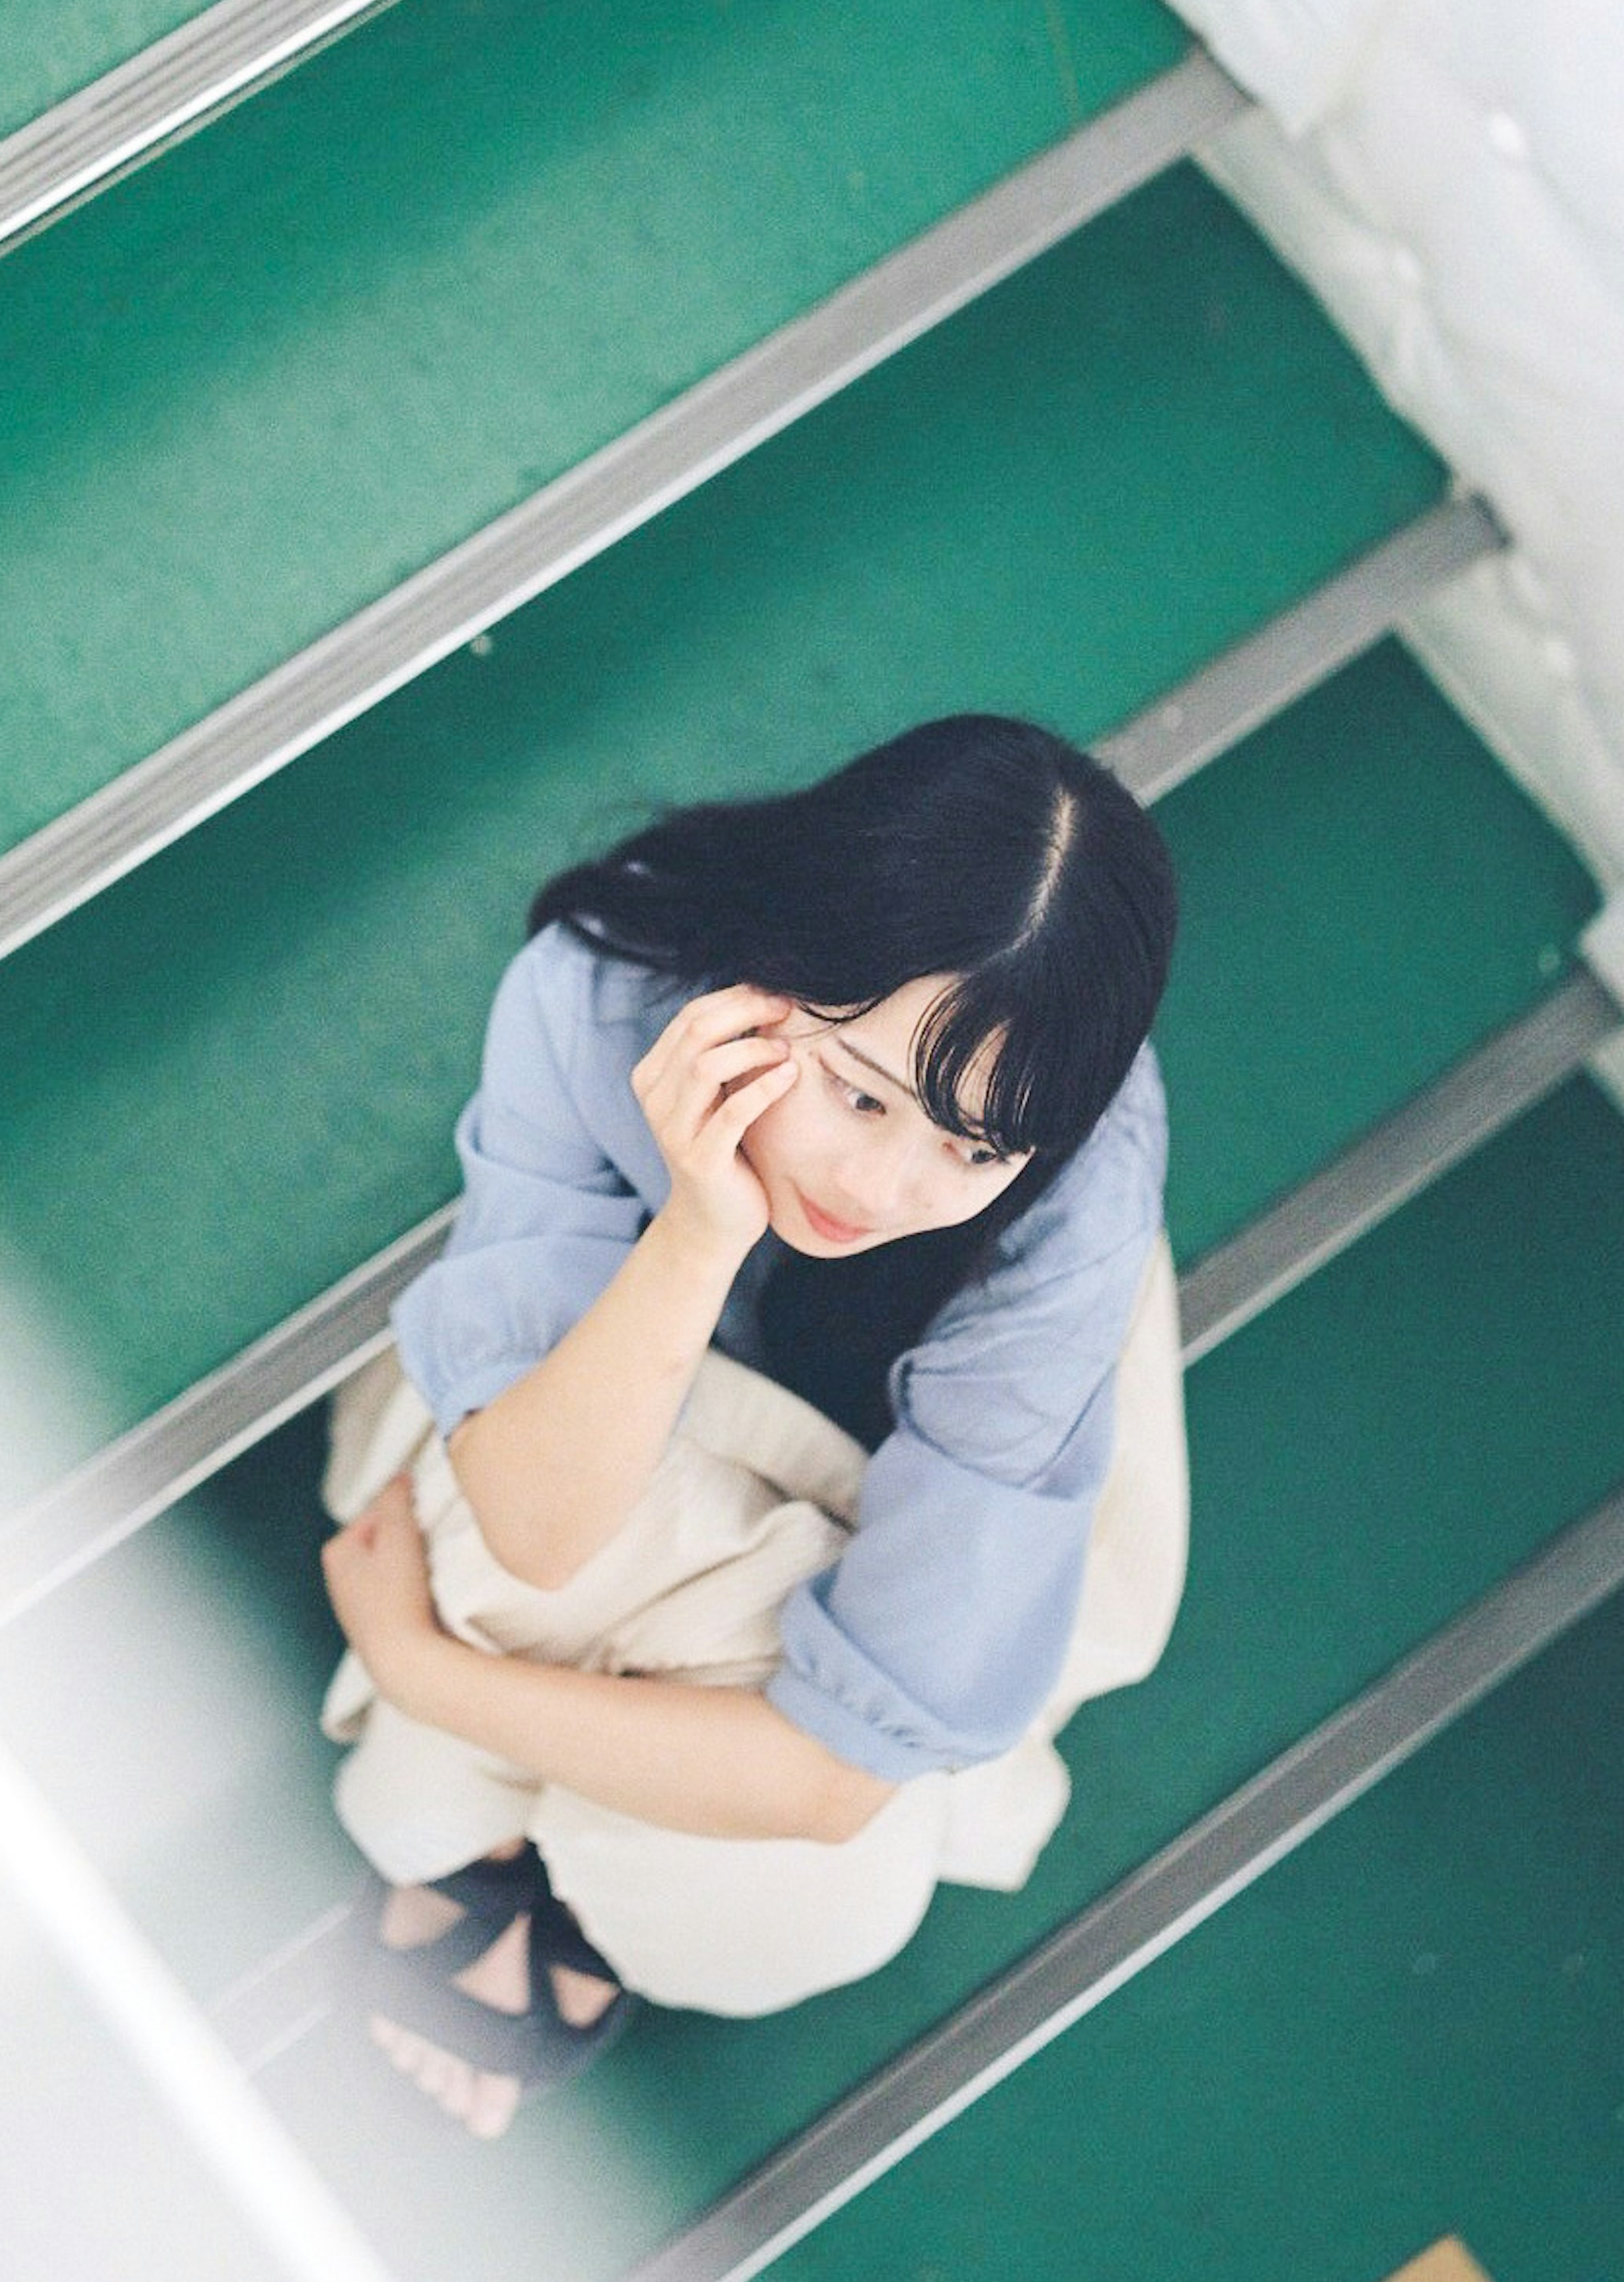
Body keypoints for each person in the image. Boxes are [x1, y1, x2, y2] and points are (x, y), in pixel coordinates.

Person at [318, 713, 1188, 2137]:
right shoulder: (603, 990)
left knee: (809, 1890)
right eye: (857, 1092)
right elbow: (541, 1526)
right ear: (771, 976)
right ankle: (585, 1850)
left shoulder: (1071, 1198)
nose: (889, 1184)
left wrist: (416, 1669)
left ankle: (515, 1815)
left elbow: (835, 1779)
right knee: (528, 1552)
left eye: (971, 1148)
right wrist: (701, 1228)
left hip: (857, 1474)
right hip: (648, 1422)